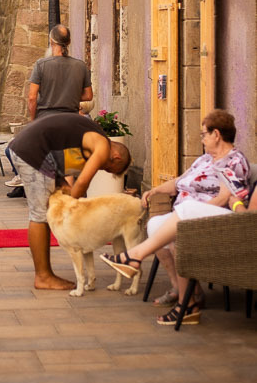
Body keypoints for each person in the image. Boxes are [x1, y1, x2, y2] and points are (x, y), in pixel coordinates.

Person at [101, 109, 250, 325]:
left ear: (216, 134)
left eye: (204, 134)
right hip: (190, 217)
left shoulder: (234, 161)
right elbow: (180, 181)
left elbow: (223, 199)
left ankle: (135, 256)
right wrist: (155, 190)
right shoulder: (205, 159)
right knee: (155, 225)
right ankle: (188, 296)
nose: (202, 139)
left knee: (187, 211)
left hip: (223, 223)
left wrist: (190, 215)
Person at [8, 112, 131, 289]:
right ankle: (43, 276)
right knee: (40, 215)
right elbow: (82, 182)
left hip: (34, 149)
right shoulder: (103, 148)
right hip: (33, 152)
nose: (104, 169)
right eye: (110, 169)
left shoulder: (95, 133)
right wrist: (73, 208)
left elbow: (66, 170)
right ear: (116, 158)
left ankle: (44, 274)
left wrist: (67, 193)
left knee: (61, 193)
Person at [6, 25, 93, 194]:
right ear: (68, 42)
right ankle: (68, 198)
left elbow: (32, 98)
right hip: (71, 120)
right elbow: (88, 95)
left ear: (51, 40)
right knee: (68, 162)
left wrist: (33, 120)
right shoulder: (80, 65)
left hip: (47, 119)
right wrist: (70, 95)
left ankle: (44, 194)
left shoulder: (41, 64)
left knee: (36, 156)